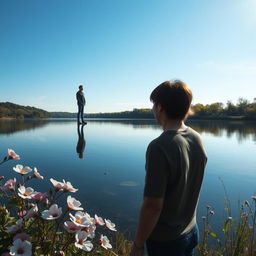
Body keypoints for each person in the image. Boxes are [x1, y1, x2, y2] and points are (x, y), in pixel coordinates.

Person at [130, 80, 207, 256]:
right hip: (191, 230)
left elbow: (152, 206)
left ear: (160, 108)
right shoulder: (197, 138)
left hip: (165, 242)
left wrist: (138, 245)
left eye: (153, 105)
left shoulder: (160, 147)